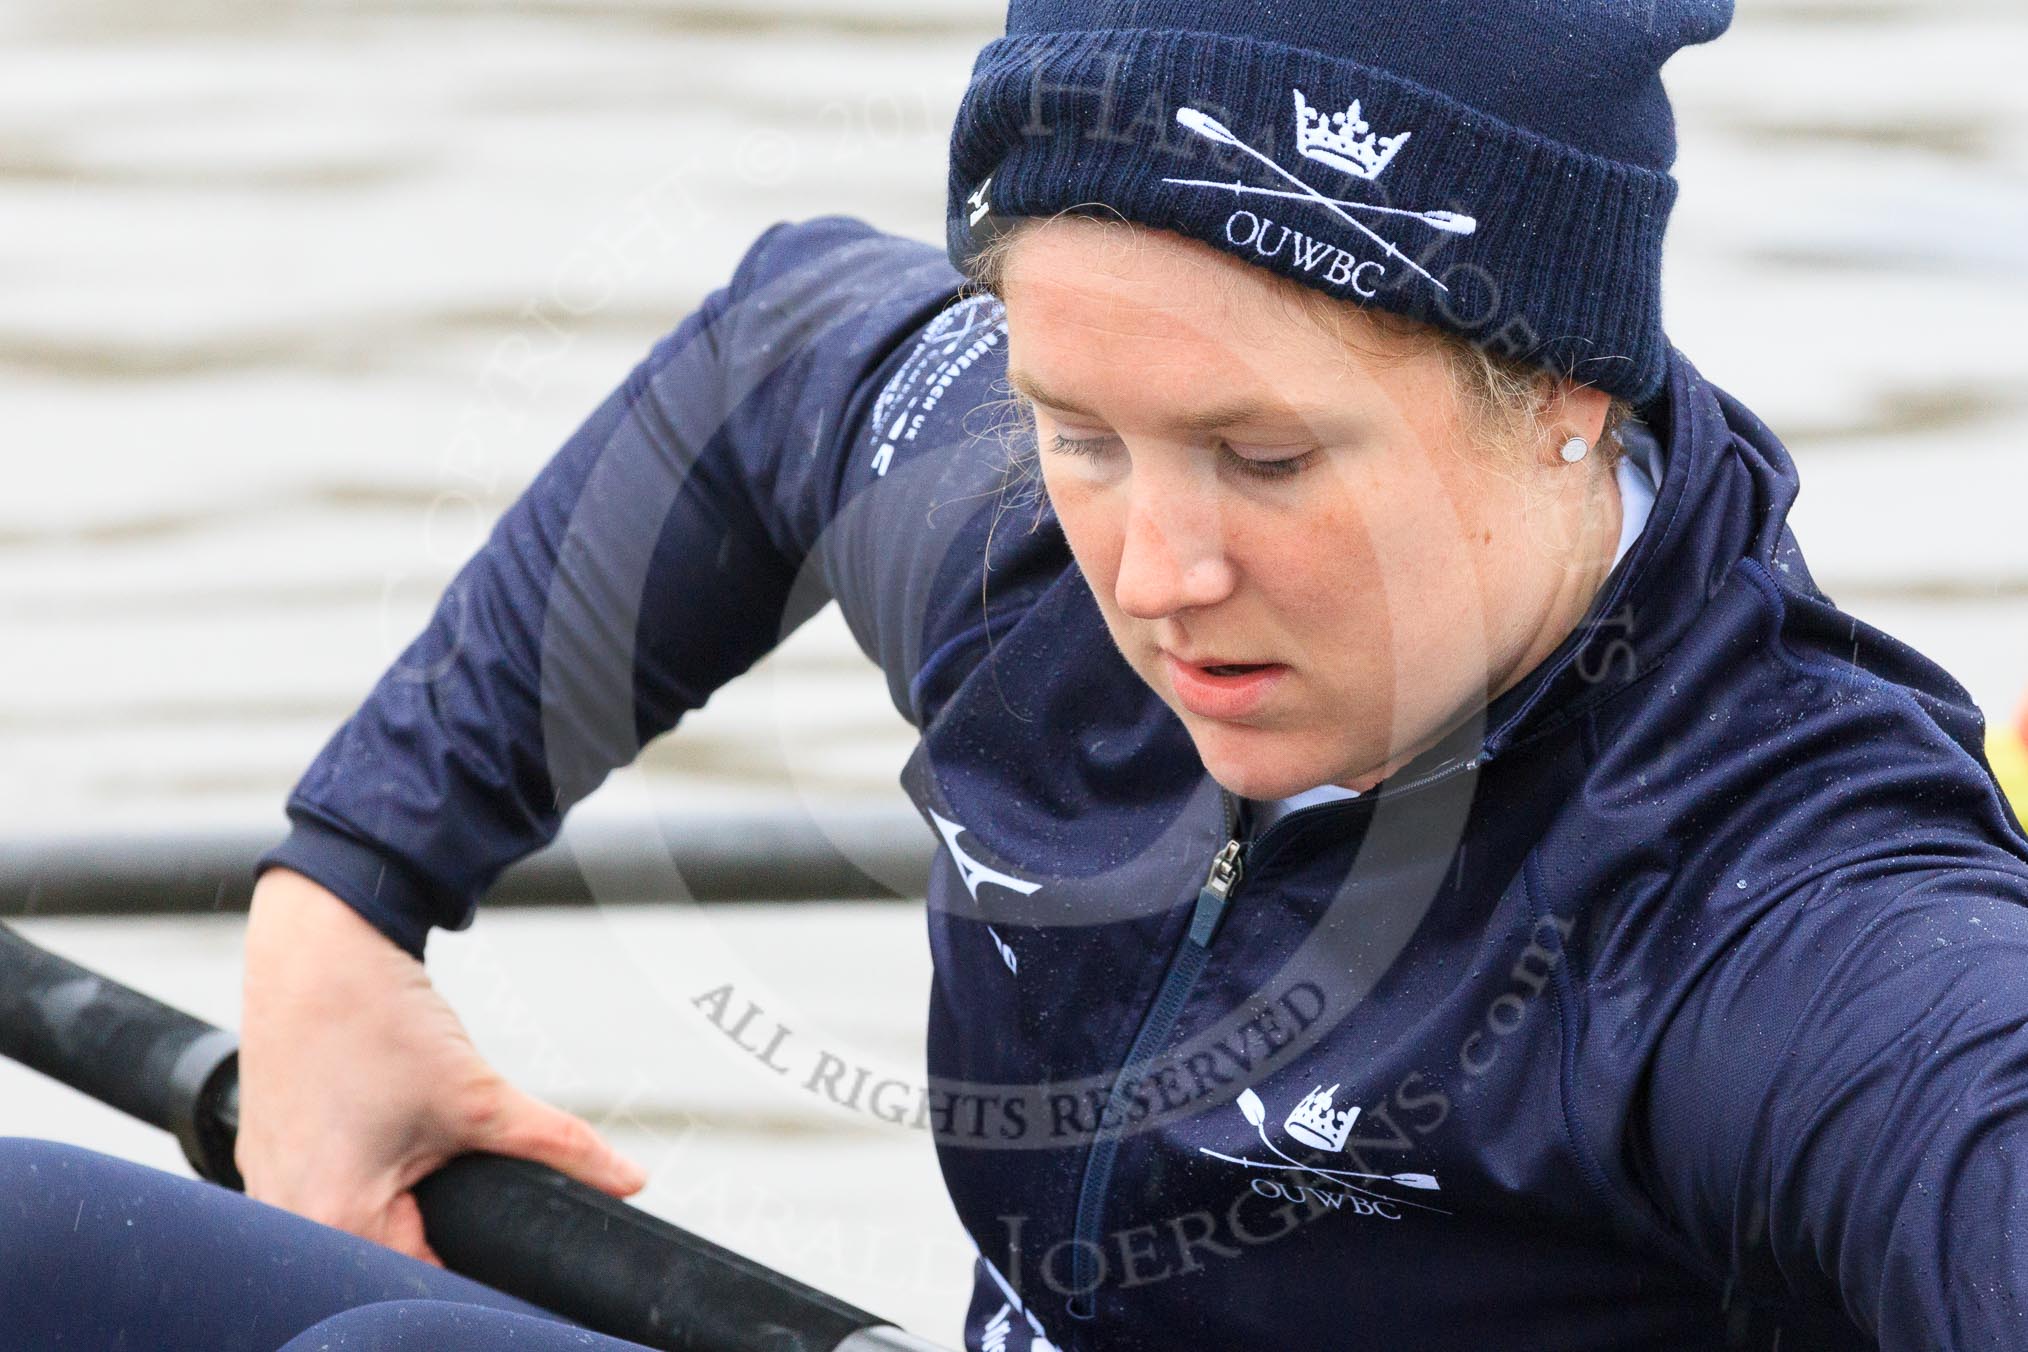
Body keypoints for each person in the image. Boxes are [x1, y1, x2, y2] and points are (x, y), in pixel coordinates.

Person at [8, 2, 2028, 1349]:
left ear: (1569, 398)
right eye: (1080, 427)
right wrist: (348, 891)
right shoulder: (1011, 509)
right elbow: (772, 360)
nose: (1152, 575)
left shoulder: (1788, 913)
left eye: (1265, 459)